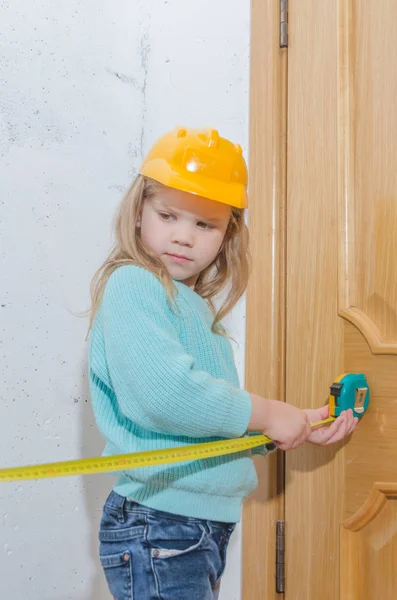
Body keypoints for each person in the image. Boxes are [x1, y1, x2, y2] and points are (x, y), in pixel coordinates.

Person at [88, 127, 357, 600]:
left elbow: (200, 419)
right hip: (161, 523)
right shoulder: (134, 284)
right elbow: (167, 398)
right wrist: (268, 410)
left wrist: (284, 427)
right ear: (137, 213)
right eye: (168, 215)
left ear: (227, 233)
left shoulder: (193, 306)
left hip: (193, 525)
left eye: (205, 225)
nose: (183, 237)